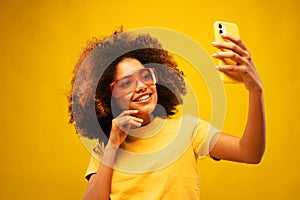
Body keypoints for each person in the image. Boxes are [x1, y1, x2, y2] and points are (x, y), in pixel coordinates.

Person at [68, 28, 266, 200]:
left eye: (145, 76)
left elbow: (249, 153)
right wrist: (112, 145)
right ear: (107, 95)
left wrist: (256, 91)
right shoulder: (106, 148)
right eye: (127, 83)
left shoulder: (189, 130)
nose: (142, 86)